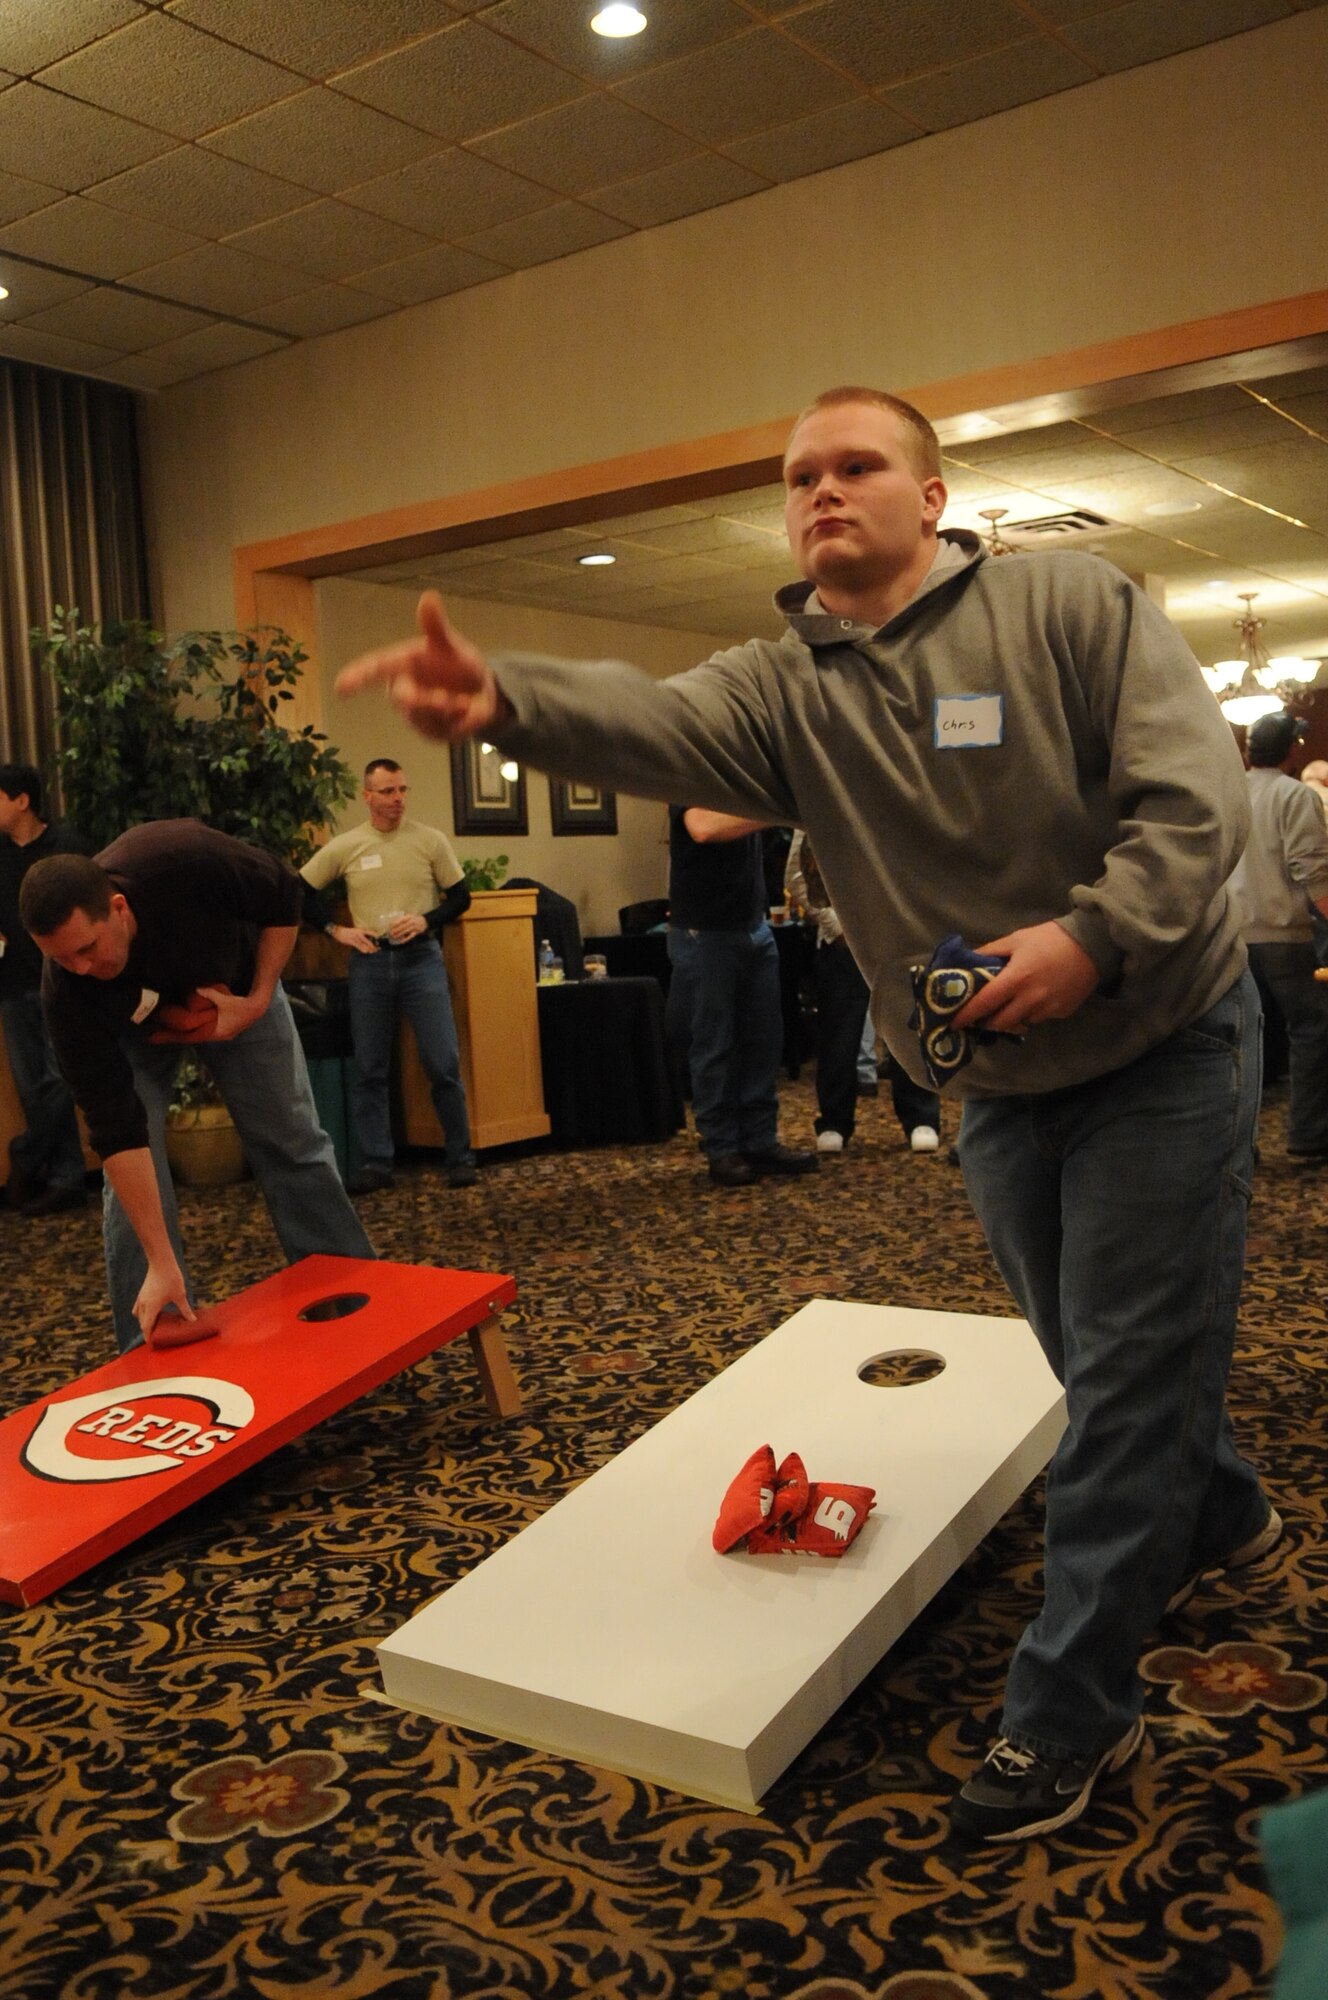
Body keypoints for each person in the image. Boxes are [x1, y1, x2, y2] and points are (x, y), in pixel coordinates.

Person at [335, 385, 1276, 1844]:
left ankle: (1071, 1711)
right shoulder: (785, 688)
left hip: (1162, 1039)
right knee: (1099, 1357)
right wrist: (509, 701)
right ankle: (1215, 1510)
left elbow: (1196, 803)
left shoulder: (1070, 607)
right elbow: (650, 723)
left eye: (857, 467)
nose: (823, 492)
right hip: (1002, 1082)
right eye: (799, 477)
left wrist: (1093, 936)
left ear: (933, 492)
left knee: (1128, 1385)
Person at [20, 822, 374, 1352]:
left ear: (117, 908)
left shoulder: (182, 859)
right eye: (62, 958)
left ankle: (354, 1297)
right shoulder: (67, 990)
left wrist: (256, 1000)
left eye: (88, 949)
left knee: (291, 1139)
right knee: (134, 1175)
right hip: (134, 1033)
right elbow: (116, 1132)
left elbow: (284, 895)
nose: (82, 968)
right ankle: (156, 1330)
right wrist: (162, 1260)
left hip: (235, 990)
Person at [300, 758, 476, 1194]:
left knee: (443, 1061)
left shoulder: (429, 841)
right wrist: (335, 930)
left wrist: (426, 920)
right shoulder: (347, 846)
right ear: (367, 796)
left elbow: (461, 897)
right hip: (371, 962)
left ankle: (460, 1157)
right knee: (371, 1067)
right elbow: (299, 892)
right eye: (387, 792)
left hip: (421, 960)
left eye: (402, 790)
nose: (397, 799)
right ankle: (377, 1162)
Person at [667, 805, 816, 1187]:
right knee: (715, 1044)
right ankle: (721, 1148)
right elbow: (701, 827)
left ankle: (759, 1141)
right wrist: (782, 811)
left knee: (764, 1041)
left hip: (753, 925)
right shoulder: (692, 770)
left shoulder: (738, 776)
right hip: (706, 929)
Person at [785, 829, 939, 1155]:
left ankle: (921, 1117)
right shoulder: (819, 795)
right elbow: (797, 875)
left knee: (910, 1028)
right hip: (842, 942)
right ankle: (833, 1121)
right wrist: (836, 925)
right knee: (839, 1035)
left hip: (898, 938)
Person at [1228, 710, 1328, 1160]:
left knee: (1244, 1041)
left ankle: (1239, 1146)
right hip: (1285, 938)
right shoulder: (1294, 796)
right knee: (1311, 1032)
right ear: (1290, 750)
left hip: (1230, 939)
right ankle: (1308, 1137)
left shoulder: (1227, 792)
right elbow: (1314, 872)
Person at [0, 765, 91, 1215]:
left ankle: (27, 1156)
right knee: (30, 1084)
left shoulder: (67, 846)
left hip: (63, 978)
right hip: (11, 981)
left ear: (21, 800)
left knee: (61, 1077)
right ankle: (66, 1179)